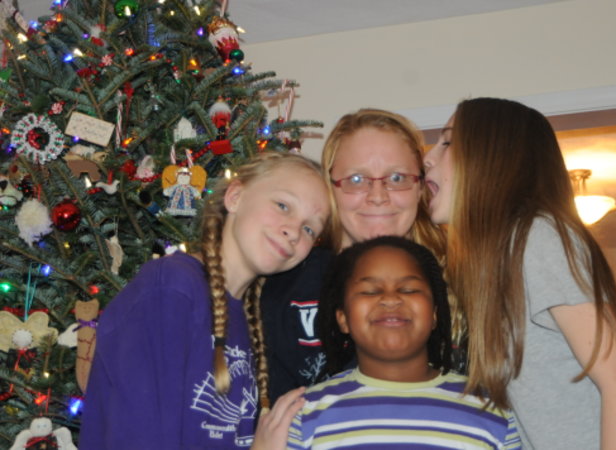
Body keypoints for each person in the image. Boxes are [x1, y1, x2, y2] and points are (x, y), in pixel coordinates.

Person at [423, 97, 616, 449]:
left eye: (447, 142)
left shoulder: (536, 237)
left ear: (493, 156)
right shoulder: (500, 261)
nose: (427, 157)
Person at [79, 152, 330, 449]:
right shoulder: (170, 289)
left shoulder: (251, 317)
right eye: (283, 205)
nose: (294, 232)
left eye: (309, 229)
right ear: (235, 197)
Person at [260, 108, 458, 404]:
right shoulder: (285, 282)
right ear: (330, 188)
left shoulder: (461, 283)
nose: (377, 196)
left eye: (397, 177)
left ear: (420, 187)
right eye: (356, 179)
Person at [287, 236, 521, 449]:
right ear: (343, 319)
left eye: (409, 290)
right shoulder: (306, 414)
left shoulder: (490, 409)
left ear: (435, 315)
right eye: (370, 291)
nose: (391, 299)